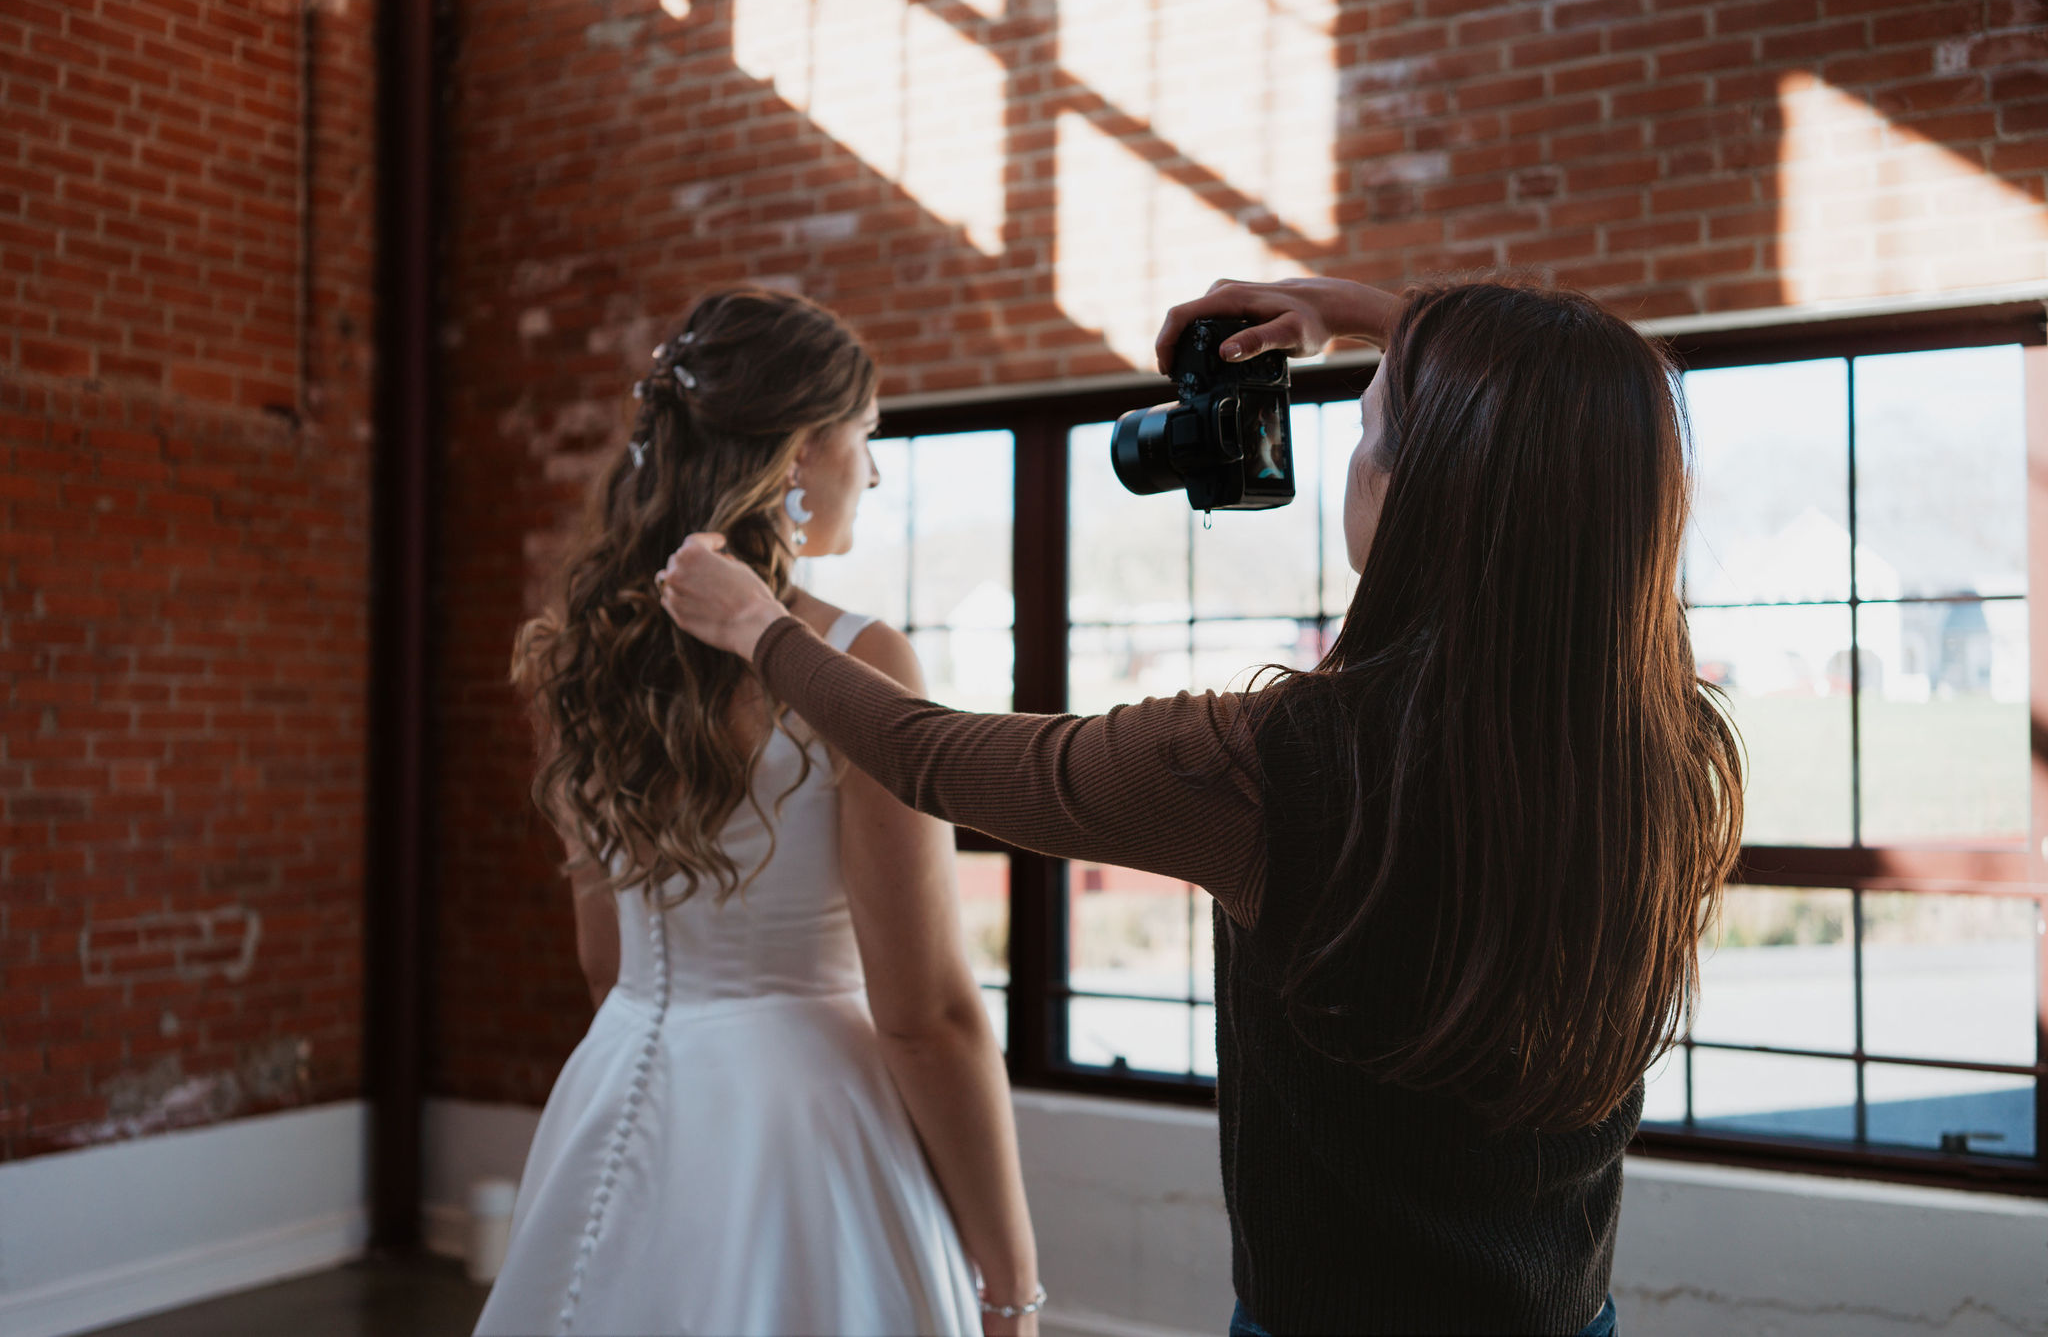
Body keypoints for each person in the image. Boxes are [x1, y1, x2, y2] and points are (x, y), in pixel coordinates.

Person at [657, 276, 1744, 1336]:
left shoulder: (1274, 767)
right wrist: (1345, 308)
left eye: (1369, 432)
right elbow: (1580, 405)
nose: (1350, 464)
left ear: (1427, 490)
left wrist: (762, 630)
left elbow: (927, 753)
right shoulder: (1673, 754)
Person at [480, 287, 1041, 1336]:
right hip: (806, 1130)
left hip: (619, 1091)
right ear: (796, 455)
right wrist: (1010, 1280)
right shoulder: (859, 660)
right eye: (864, 438)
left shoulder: (574, 657)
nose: (870, 471)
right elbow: (924, 1014)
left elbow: (605, 962)